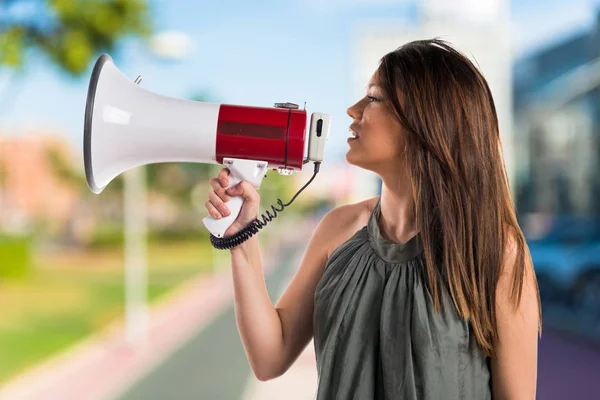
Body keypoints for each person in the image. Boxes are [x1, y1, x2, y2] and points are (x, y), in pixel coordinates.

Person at [205, 38, 542, 399]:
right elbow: (270, 357)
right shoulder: (337, 228)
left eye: (374, 97)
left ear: (426, 121)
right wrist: (241, 238)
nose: (353, 109)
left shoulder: (496, 250)